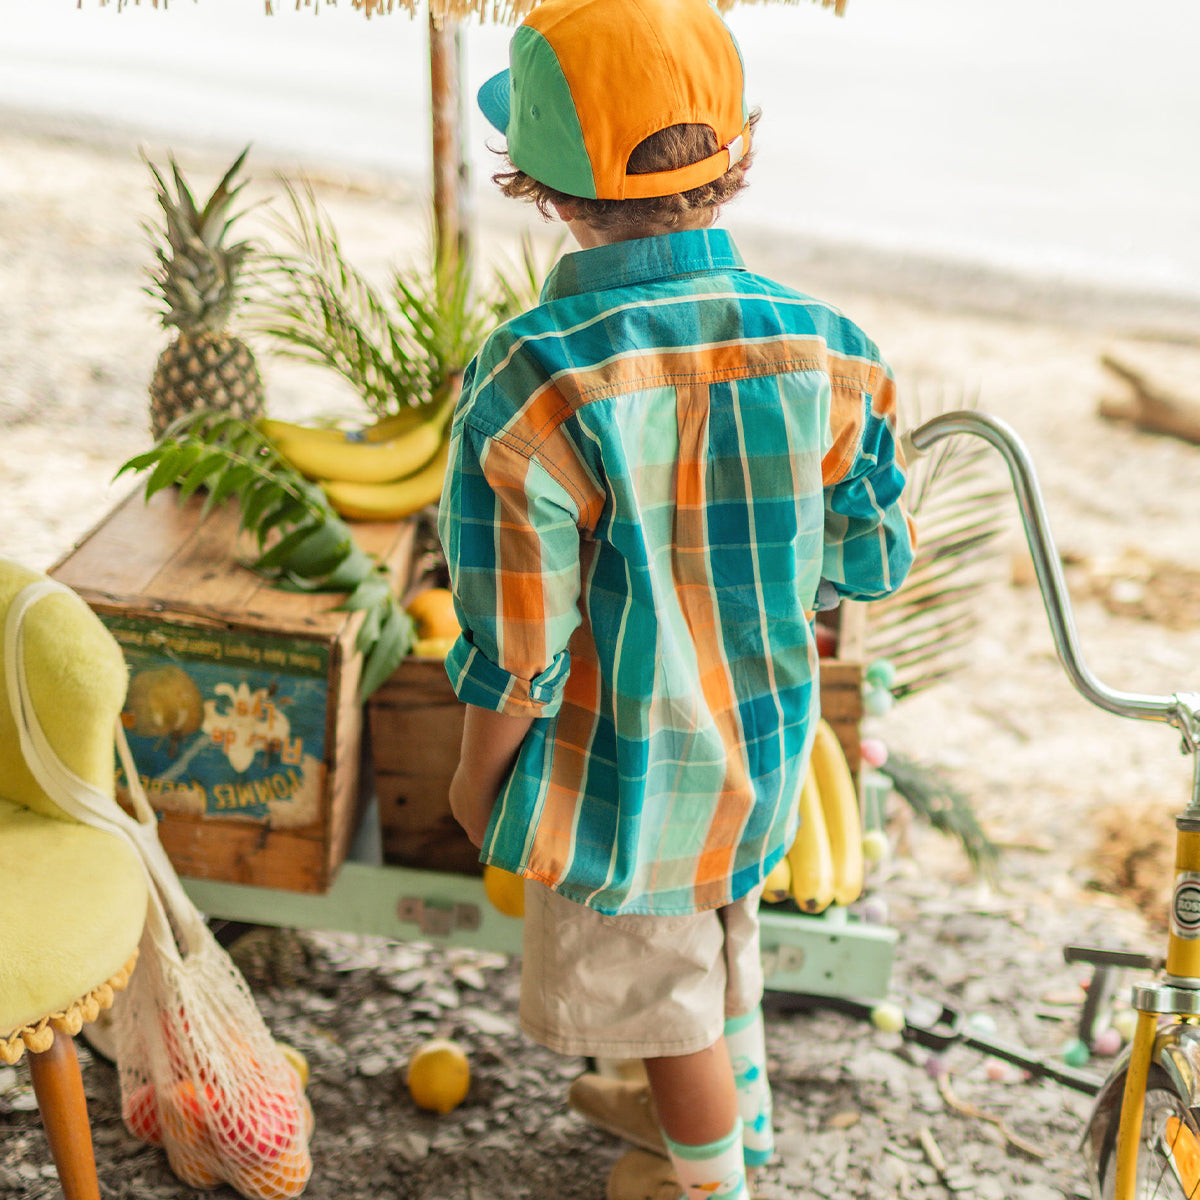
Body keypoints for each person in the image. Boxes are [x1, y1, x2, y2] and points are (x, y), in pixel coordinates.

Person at [437, 0, 916, 1195]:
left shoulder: (534, 378)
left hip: (623, 772)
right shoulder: (830, 352)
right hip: (763, 741)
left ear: (538, 183)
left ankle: (711, 1177)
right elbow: (871, 563)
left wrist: (474, 772)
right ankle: (717, 1123)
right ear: (735, 156)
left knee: (669, 1003)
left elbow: (520, 640)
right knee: (716, 947)